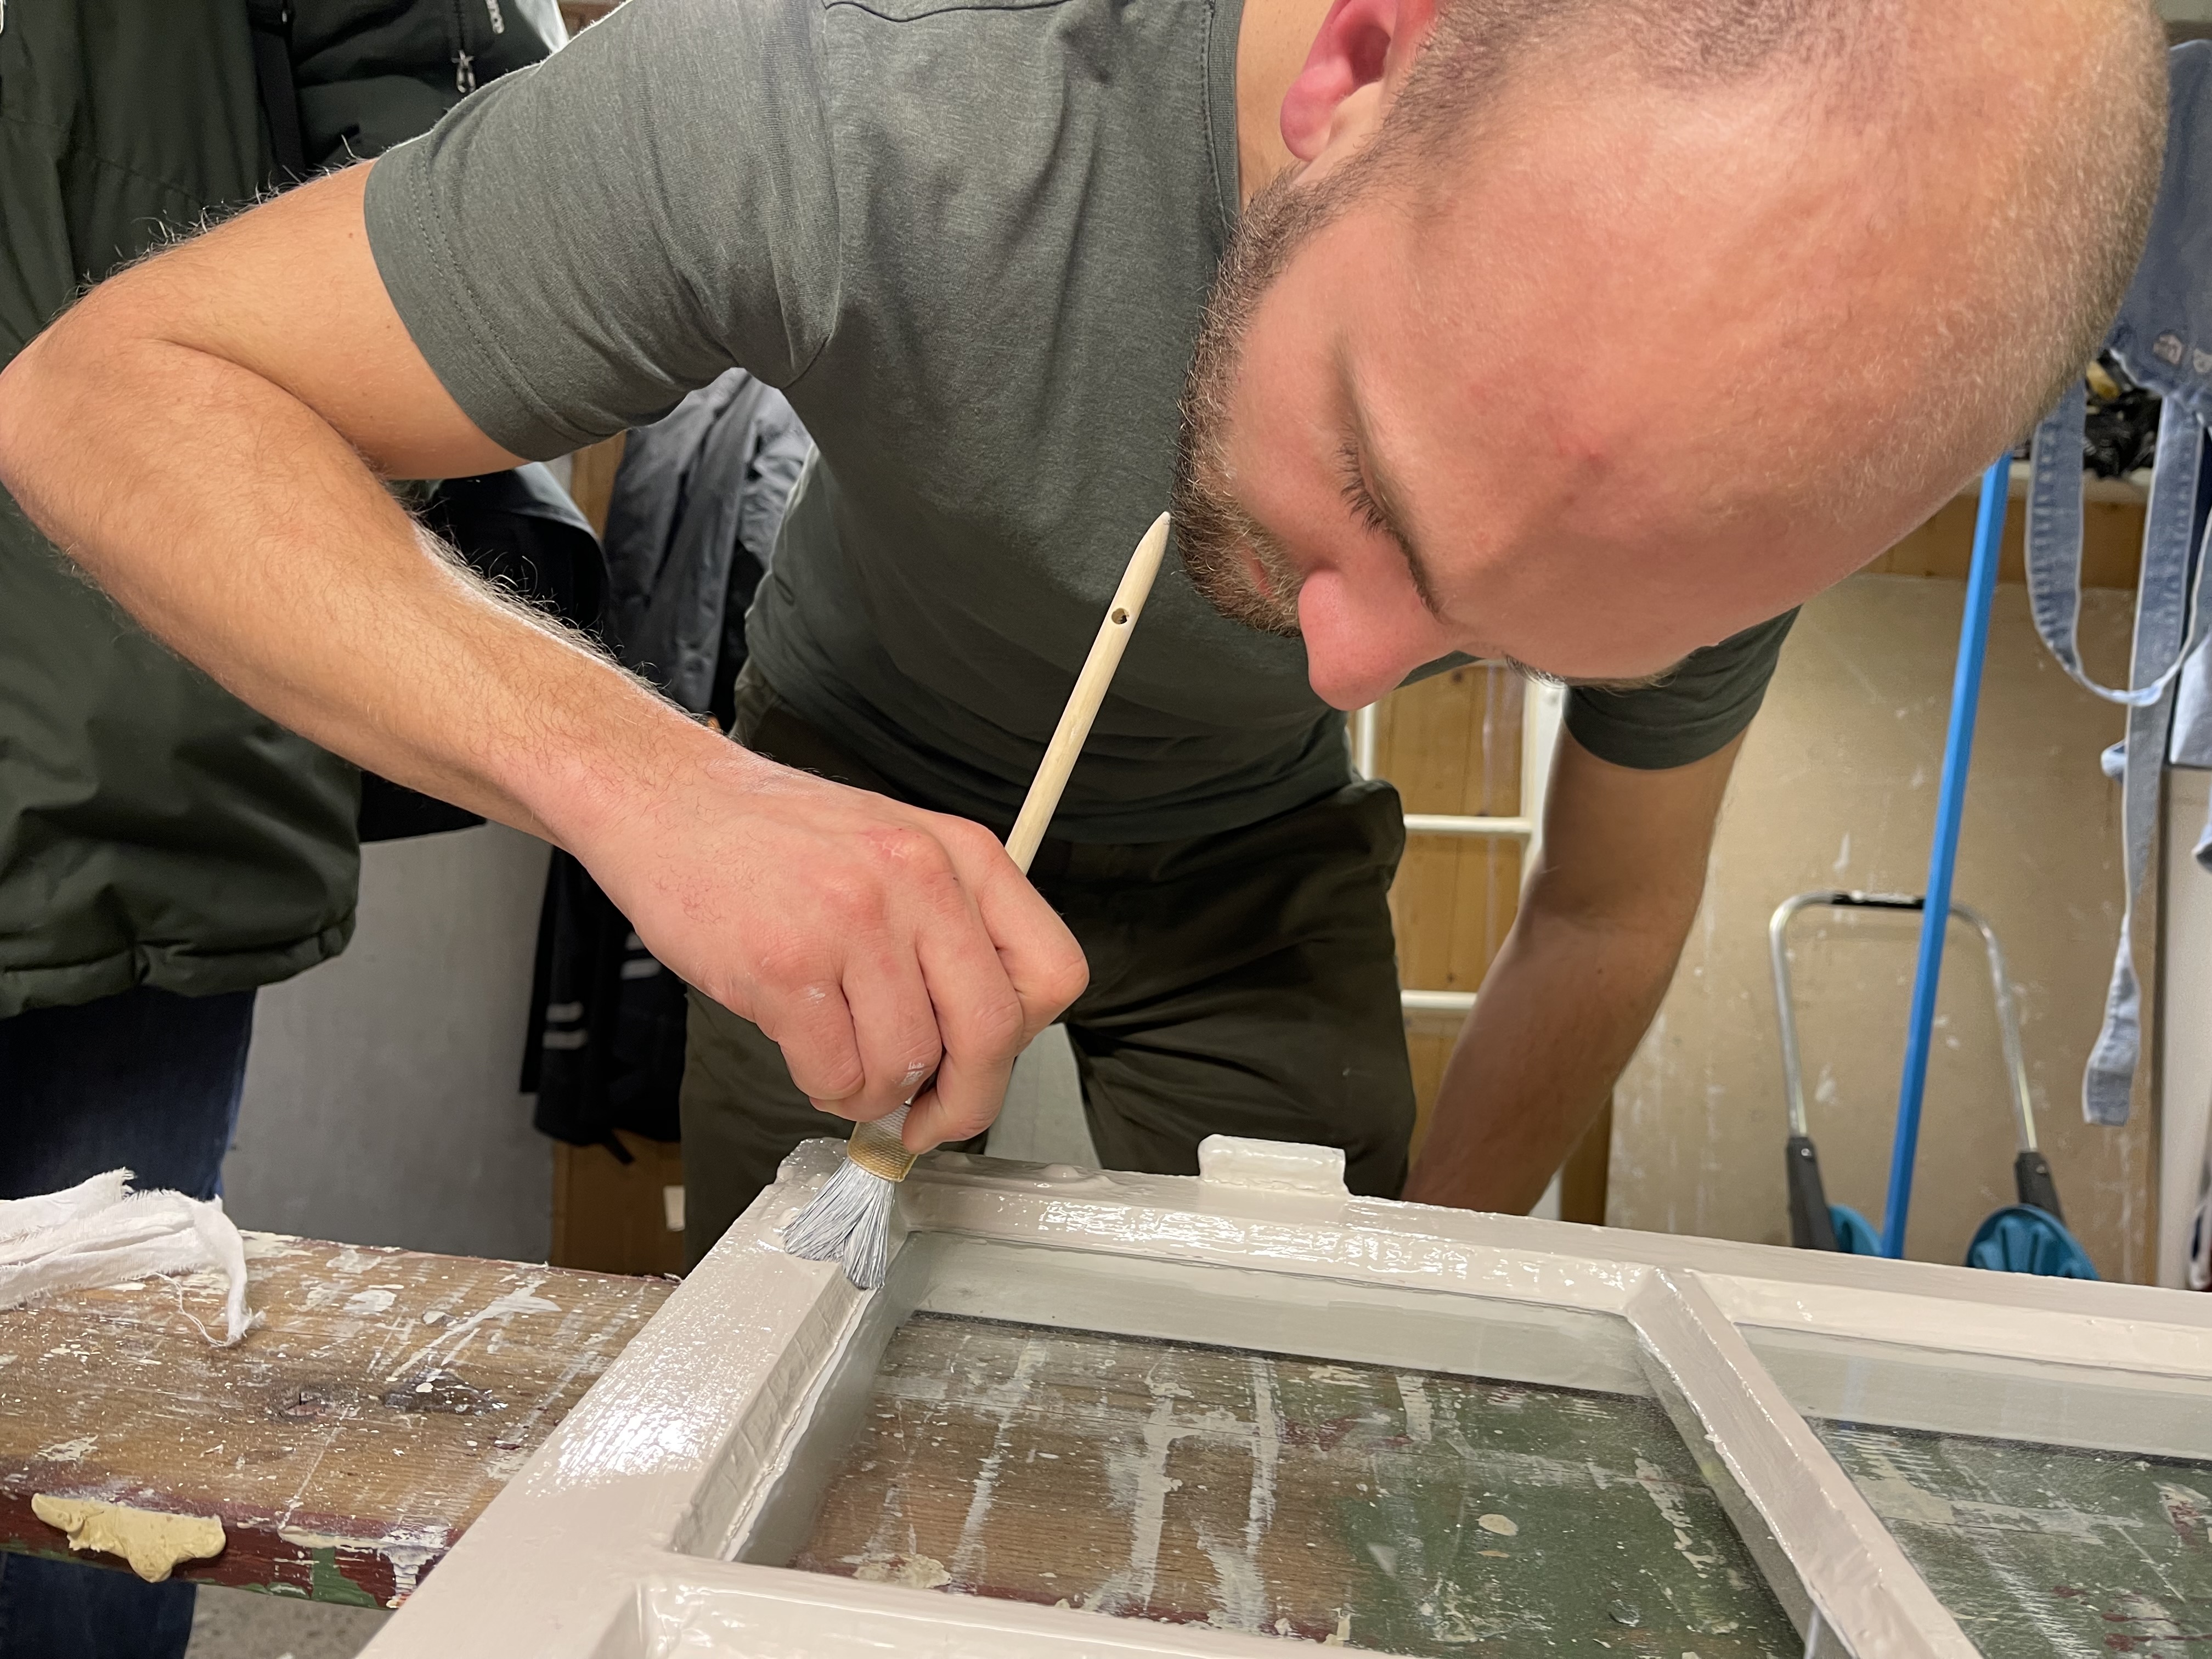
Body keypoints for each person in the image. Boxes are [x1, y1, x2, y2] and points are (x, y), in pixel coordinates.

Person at [0, 0, 2166, 1263]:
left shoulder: (1718, 473)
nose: (1355, 674)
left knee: (1308, 1416)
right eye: (1382, 485)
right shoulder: (879, 98)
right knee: (760, 1352)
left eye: (1505, 645)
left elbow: (1602, 913)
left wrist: (1423, 1290)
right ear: (1358, 61)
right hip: (831, 771)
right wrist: (655, 789)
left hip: (1255, 871)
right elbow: (108, 397)